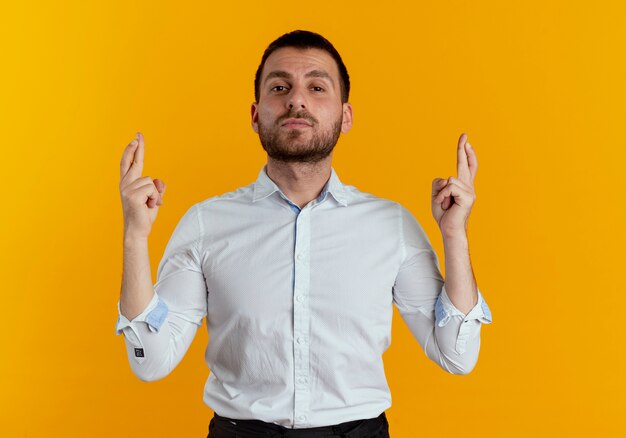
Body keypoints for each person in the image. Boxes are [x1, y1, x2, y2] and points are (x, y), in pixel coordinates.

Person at [116, 30, 493, 438]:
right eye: (280, 87)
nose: (297, 100)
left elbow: (456, 354)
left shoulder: (392, 225)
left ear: (345, 116)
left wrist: (455, 236)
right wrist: (135, 237)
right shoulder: (206, 224)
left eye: (317, 87)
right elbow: (150, 361)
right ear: (256, 113)